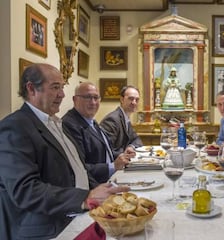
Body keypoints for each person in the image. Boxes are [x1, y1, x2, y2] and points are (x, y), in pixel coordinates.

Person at [0, 64, 129, 239]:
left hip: (81, 214)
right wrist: (85, 197)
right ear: (31, 89)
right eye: (55, 87)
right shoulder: (15, 127)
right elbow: (26, 190)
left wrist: (100, 189)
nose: (61, 94)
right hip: (50, 227)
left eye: (62, 88)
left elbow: (79, 169)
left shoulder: (57, 123)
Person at [62, 82, 134, 183]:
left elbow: (106, 151)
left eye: (96, 97)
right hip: (94, 187)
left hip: (111, 179)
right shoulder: (70, 124)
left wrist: (124, 156)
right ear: (75, 100)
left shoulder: (91, 120)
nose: (93, 102)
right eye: (87, 97)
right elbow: (78, 168)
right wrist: (112, 166)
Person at [100, 85, 143, 156]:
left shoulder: (126, 118)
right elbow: (106, 150)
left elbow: (136, 139)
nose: (134, 102)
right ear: (122, 99)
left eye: (137, 100)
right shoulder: (112, 120)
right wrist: (126, 154)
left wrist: (131, 147)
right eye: (131, 99)